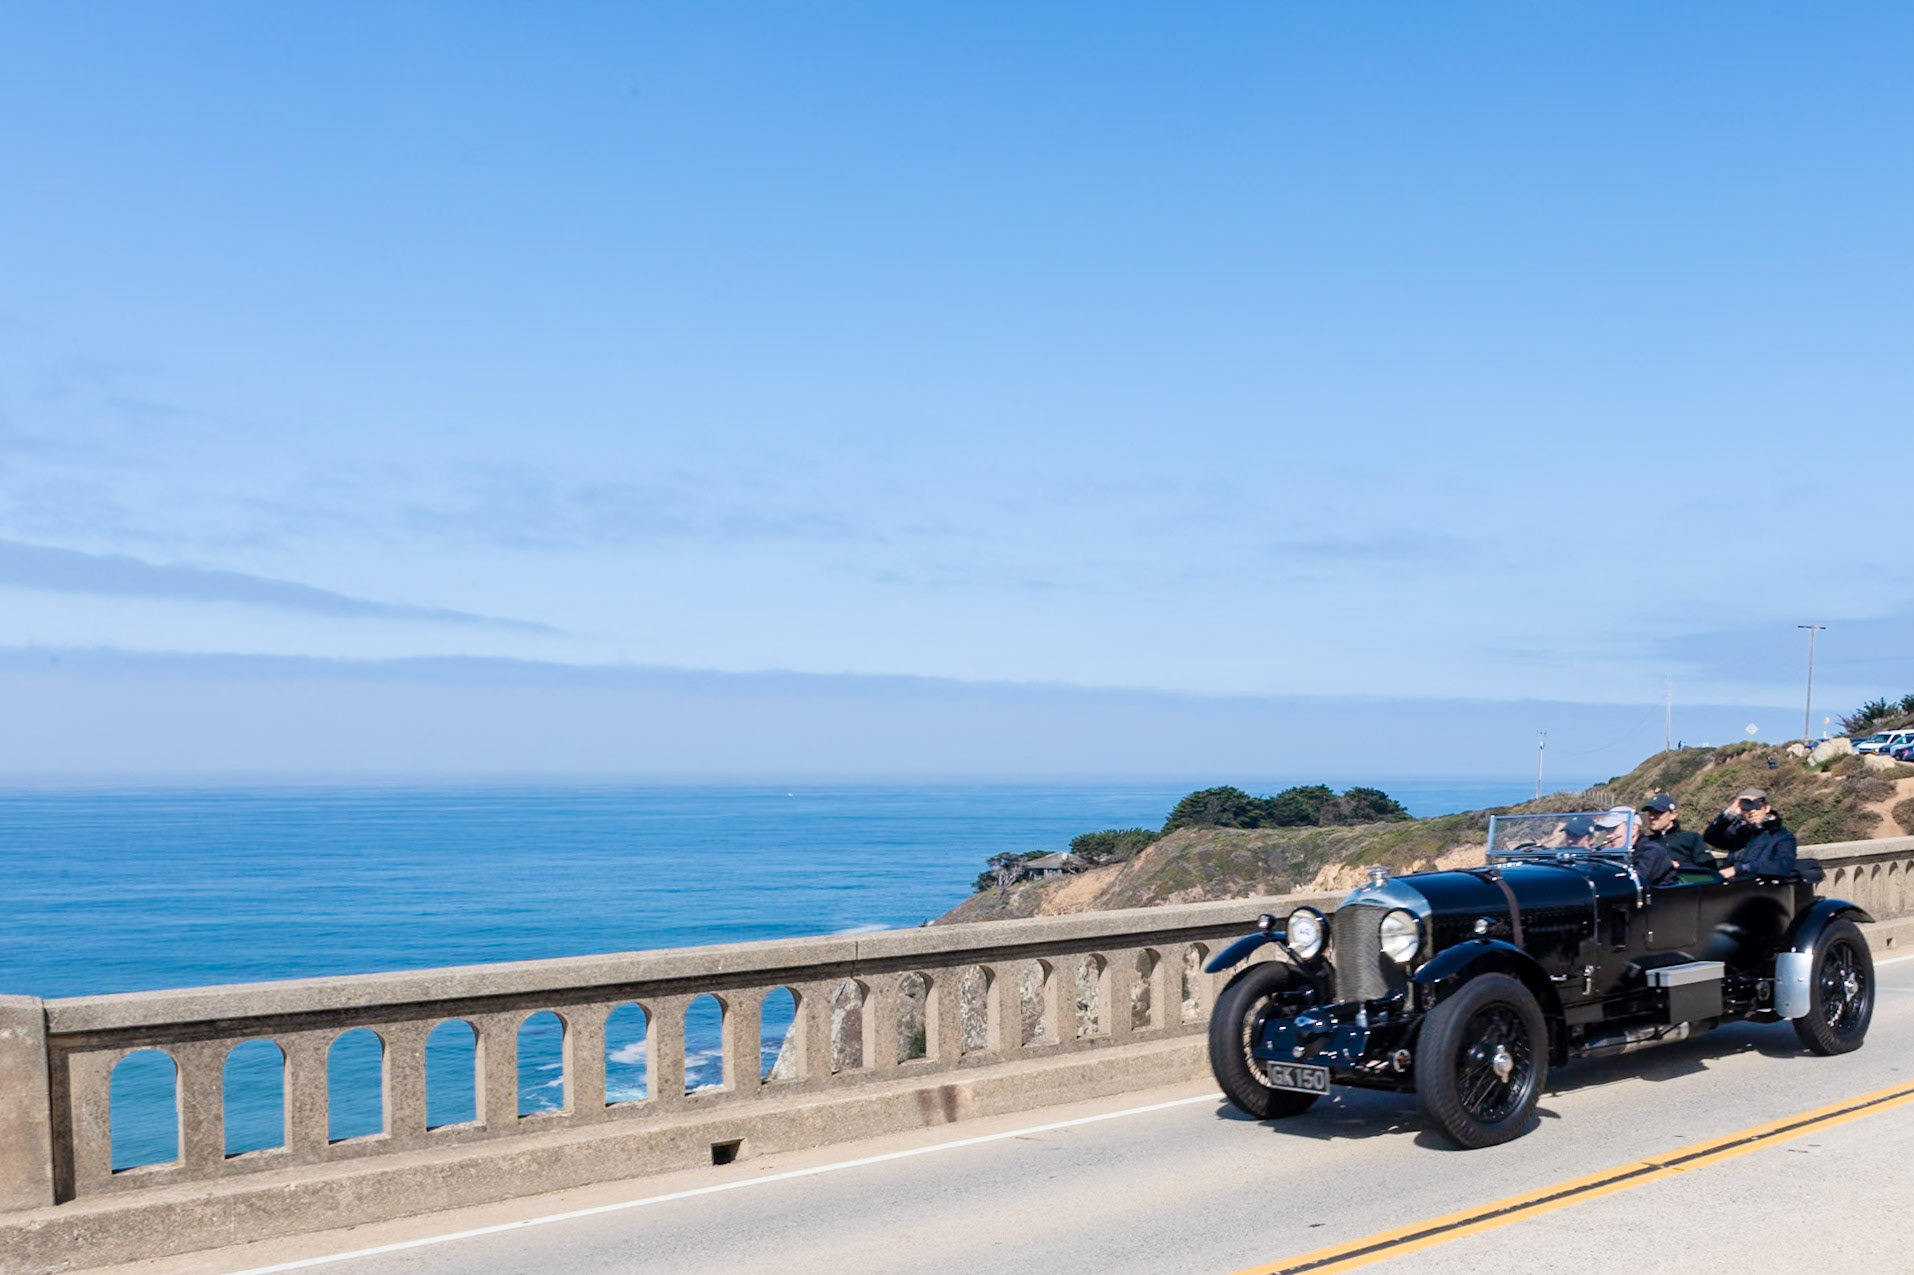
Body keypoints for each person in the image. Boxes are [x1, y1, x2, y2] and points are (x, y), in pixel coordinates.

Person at [1703, 788, 1798, 878]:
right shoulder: (1739, 834)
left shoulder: (1782, 836)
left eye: (1757, 806)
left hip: (1764, 889)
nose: (1752, 811)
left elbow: (1782, 866)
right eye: (1746, 807)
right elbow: (1710, 837)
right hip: (1735, 887)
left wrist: (1739, 869)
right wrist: (1729, 813)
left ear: (1767, 808)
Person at [1636, 793, 1716, 872]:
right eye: (1650, 812)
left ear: (1673, 815)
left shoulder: (1691, 838)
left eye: (1658, 812)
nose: (1651, 817)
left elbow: (1708, 867)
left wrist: (1678, 865)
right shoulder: (1645, 842)